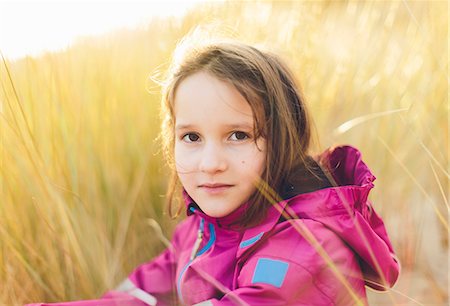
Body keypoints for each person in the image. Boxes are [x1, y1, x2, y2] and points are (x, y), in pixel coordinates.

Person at [27, 38, 400, 306]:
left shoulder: (310, 246)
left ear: (283, 138)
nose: (210, 162)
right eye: (191, 137)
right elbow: (140, 294)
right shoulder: (203, 229)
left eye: (238, 135)